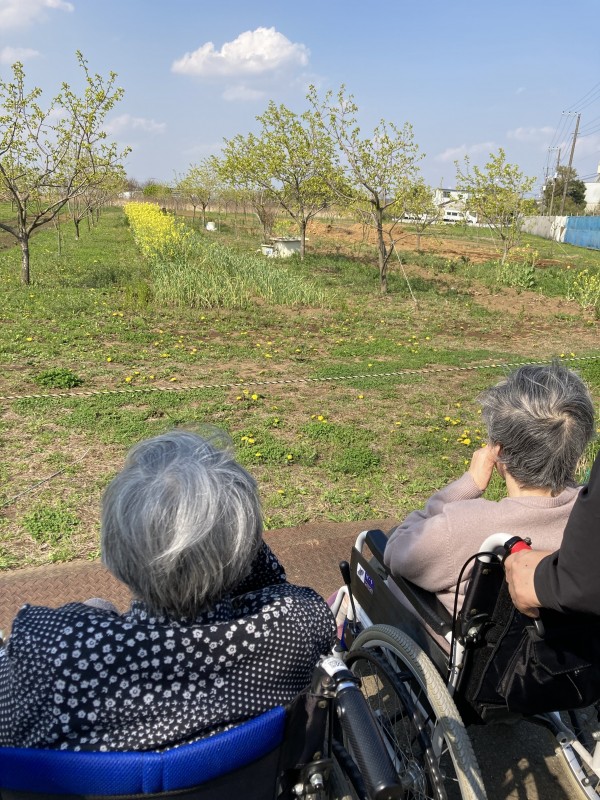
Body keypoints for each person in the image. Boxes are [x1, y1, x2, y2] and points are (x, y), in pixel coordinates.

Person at [0, 429, 336, 751]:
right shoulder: (300, 622)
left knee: (97, 605)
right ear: (247, 547)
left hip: (110, 780)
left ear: (116, 552)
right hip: (251, 779)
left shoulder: (48, 655)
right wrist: (235, 548)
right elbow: (274, 586)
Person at [384, 363, 595, 614]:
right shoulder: (591, 524)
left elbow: (396, 552)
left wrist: (467, 485)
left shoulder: (465, 526)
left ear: (499, 452)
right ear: (577, 448)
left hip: (443, 636)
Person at [505, 450, 600, 617]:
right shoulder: (579, 504)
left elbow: (585, 579)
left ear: (500, 450)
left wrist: (471, 483)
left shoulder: (467, 521)